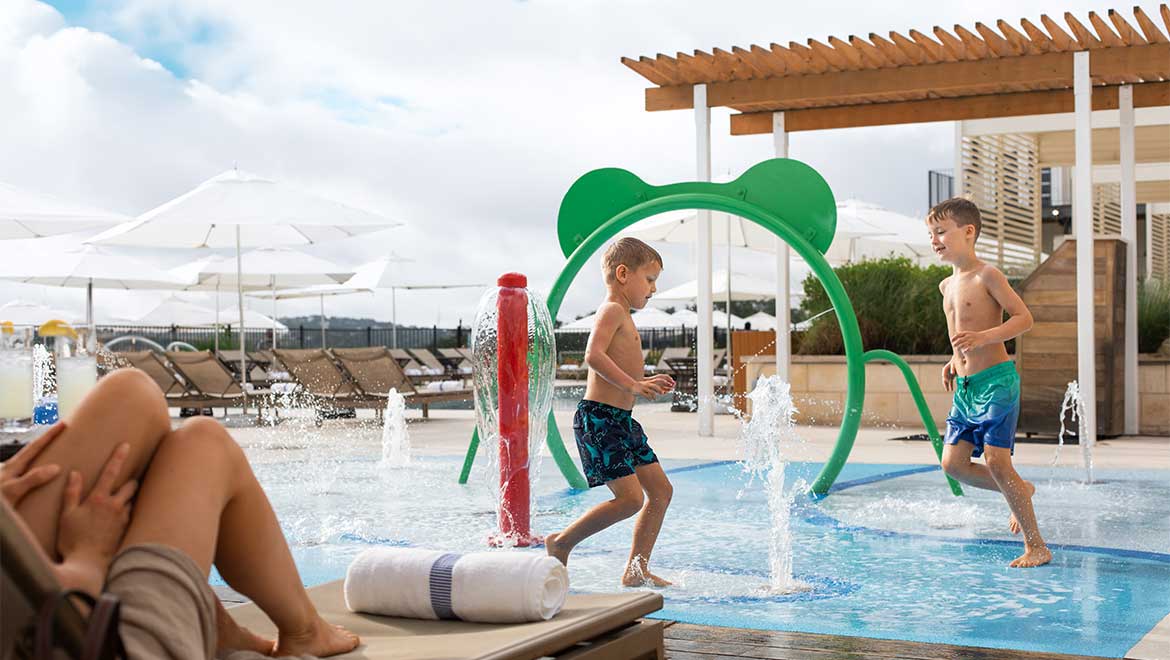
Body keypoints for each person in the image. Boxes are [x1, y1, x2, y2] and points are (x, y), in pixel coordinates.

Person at [0, 368, 361, 658]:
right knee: (205, 443)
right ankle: (302, 631)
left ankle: (220, 625)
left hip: (18, 580)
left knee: (131, 397)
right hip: (68, 633)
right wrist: (87, 562)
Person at [544, 238, 676, 587]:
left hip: (621, 421)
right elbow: (593, 356)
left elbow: (617, 365)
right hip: (599, 420)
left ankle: (637, 570)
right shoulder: (612, 310)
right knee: (631, 499)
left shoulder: (623, 315)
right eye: (649, 279)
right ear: (623, 274)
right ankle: (560, 543)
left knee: (661, 492)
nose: (653, 288)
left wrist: (642, 381)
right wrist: (634, 386)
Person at [928, 198, 1051, 568]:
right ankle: (1021, 489)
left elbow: (1024, 318)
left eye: (940, 232)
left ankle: (1037, 546)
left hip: (997, 382)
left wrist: (984, 338)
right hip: (966, 389)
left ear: (968, 232)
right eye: (930, 233)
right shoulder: (945, 285)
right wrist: (953, 360)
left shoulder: (988, 275)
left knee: (997, 461)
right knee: (953, 463)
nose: (934, 239)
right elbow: (956, 333)